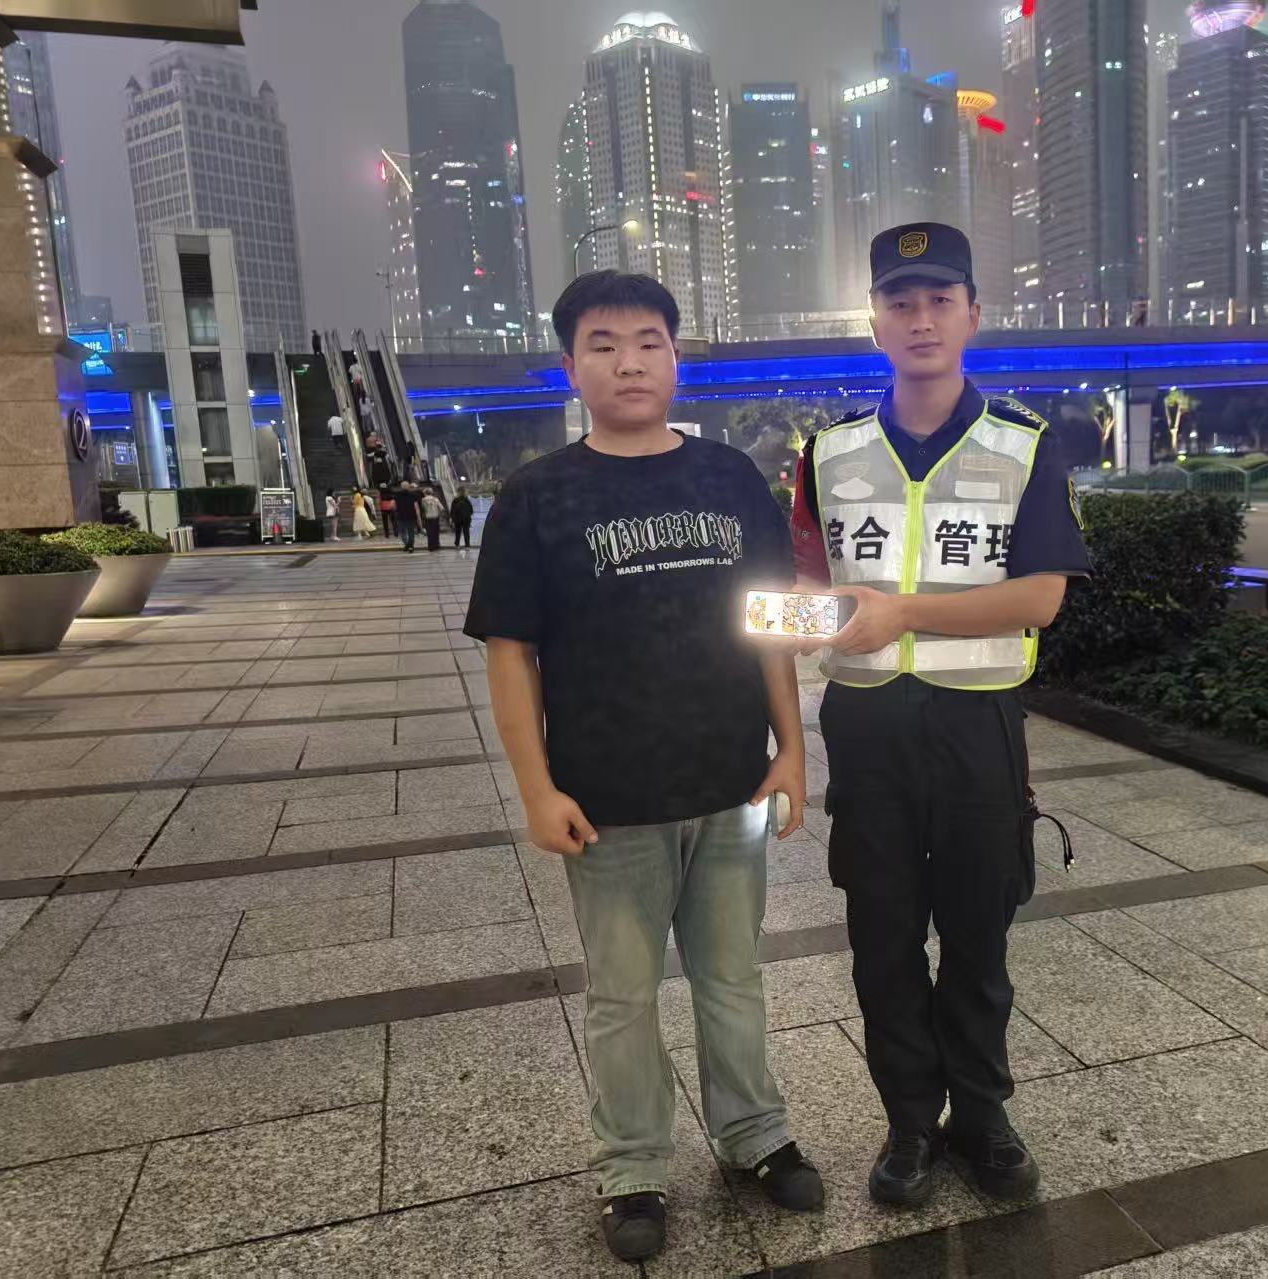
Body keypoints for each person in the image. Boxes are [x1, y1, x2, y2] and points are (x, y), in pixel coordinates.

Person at [464, 270, 822, 1263]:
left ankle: (753, 1134)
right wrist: (537, 788)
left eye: (649, 341)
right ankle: (631, 1167)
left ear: (674, 356)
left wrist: (791, 747)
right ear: (570, 365)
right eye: (604, 343)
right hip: (606, 801)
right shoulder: (537, 496)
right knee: (621, 994)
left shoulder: (729, 479)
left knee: (732, 977)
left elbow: (771, 621)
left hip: (729, 784)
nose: (629, 361)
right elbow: (511, 653)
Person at [790, 223, 1090, 1207]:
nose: (919, 319)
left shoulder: (1022, 444)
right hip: (867, 729)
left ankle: (983, 1116)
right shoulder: (828, 453)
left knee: (976, 936)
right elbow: (807, 587)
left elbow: (1042, 596)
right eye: (899, 301)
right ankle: (911, 1126)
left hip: (977, 728)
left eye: (938, 300)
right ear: (874, 321)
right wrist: (790, 625)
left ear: (971, 315)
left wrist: (904, 613)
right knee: (882, 940)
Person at [392, 481, 421, 553]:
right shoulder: (413, 495)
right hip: (411, 515)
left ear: (401, 487)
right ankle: (410, 546)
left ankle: (407, 544)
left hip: (400, 515)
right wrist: (418, 516)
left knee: (403, 532)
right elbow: (416, 507)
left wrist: (397, 509)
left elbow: (393, 506)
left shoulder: (396, 495)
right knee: (411, 532)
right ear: (408, 486)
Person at [420, 487, 443, 552]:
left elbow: (422, 508)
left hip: (427, 517)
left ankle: (431, 546)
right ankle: (436, 545)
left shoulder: (423, 500)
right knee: (435, 531)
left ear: (425, 493)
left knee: (429, 532)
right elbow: (441, 508)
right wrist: (437, 512)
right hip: (435, 517)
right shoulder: (435, 499)